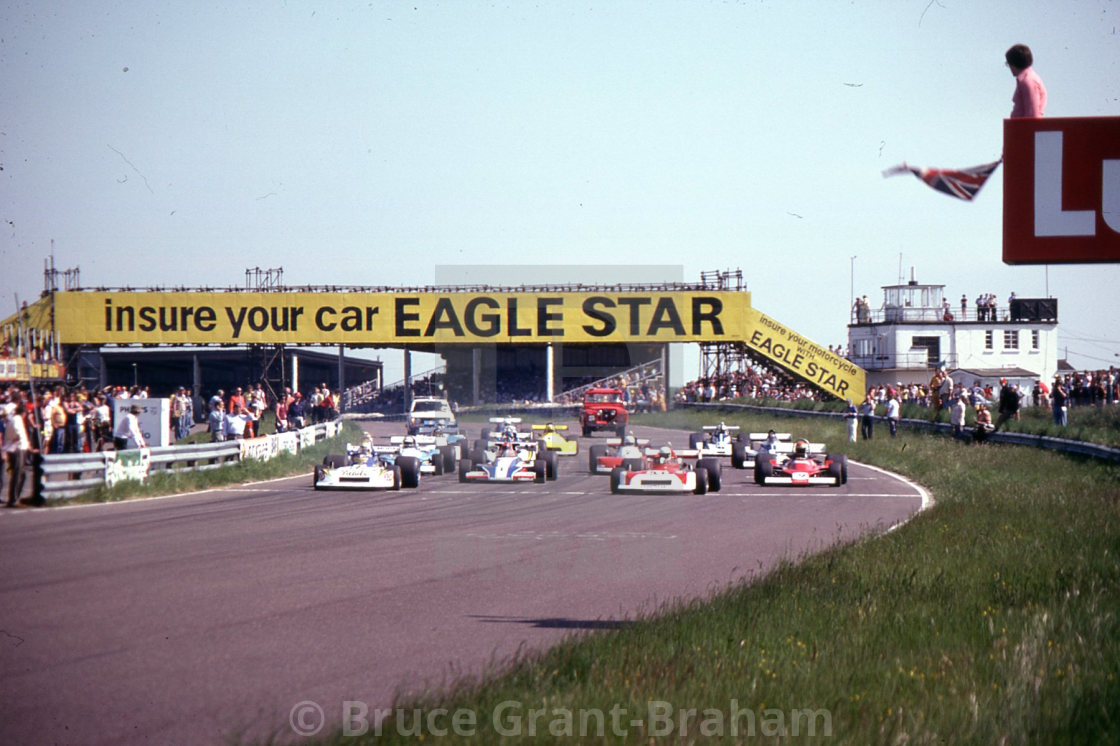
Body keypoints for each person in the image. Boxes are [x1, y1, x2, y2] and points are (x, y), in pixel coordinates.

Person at [1006, 44, 1047, 119]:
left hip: (1024, 129)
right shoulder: (1028, 79)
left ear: (1013, 63)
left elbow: (1032, 116)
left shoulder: (1028, 81)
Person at [3, 401, 30, 507]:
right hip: (18, 449)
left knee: (20, 474)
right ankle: (14, 499)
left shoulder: (12, 420)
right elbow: (18, 434)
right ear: (23, 413)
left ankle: (14, 498)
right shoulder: (17, 420)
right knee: (18, 474)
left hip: (15, 448)